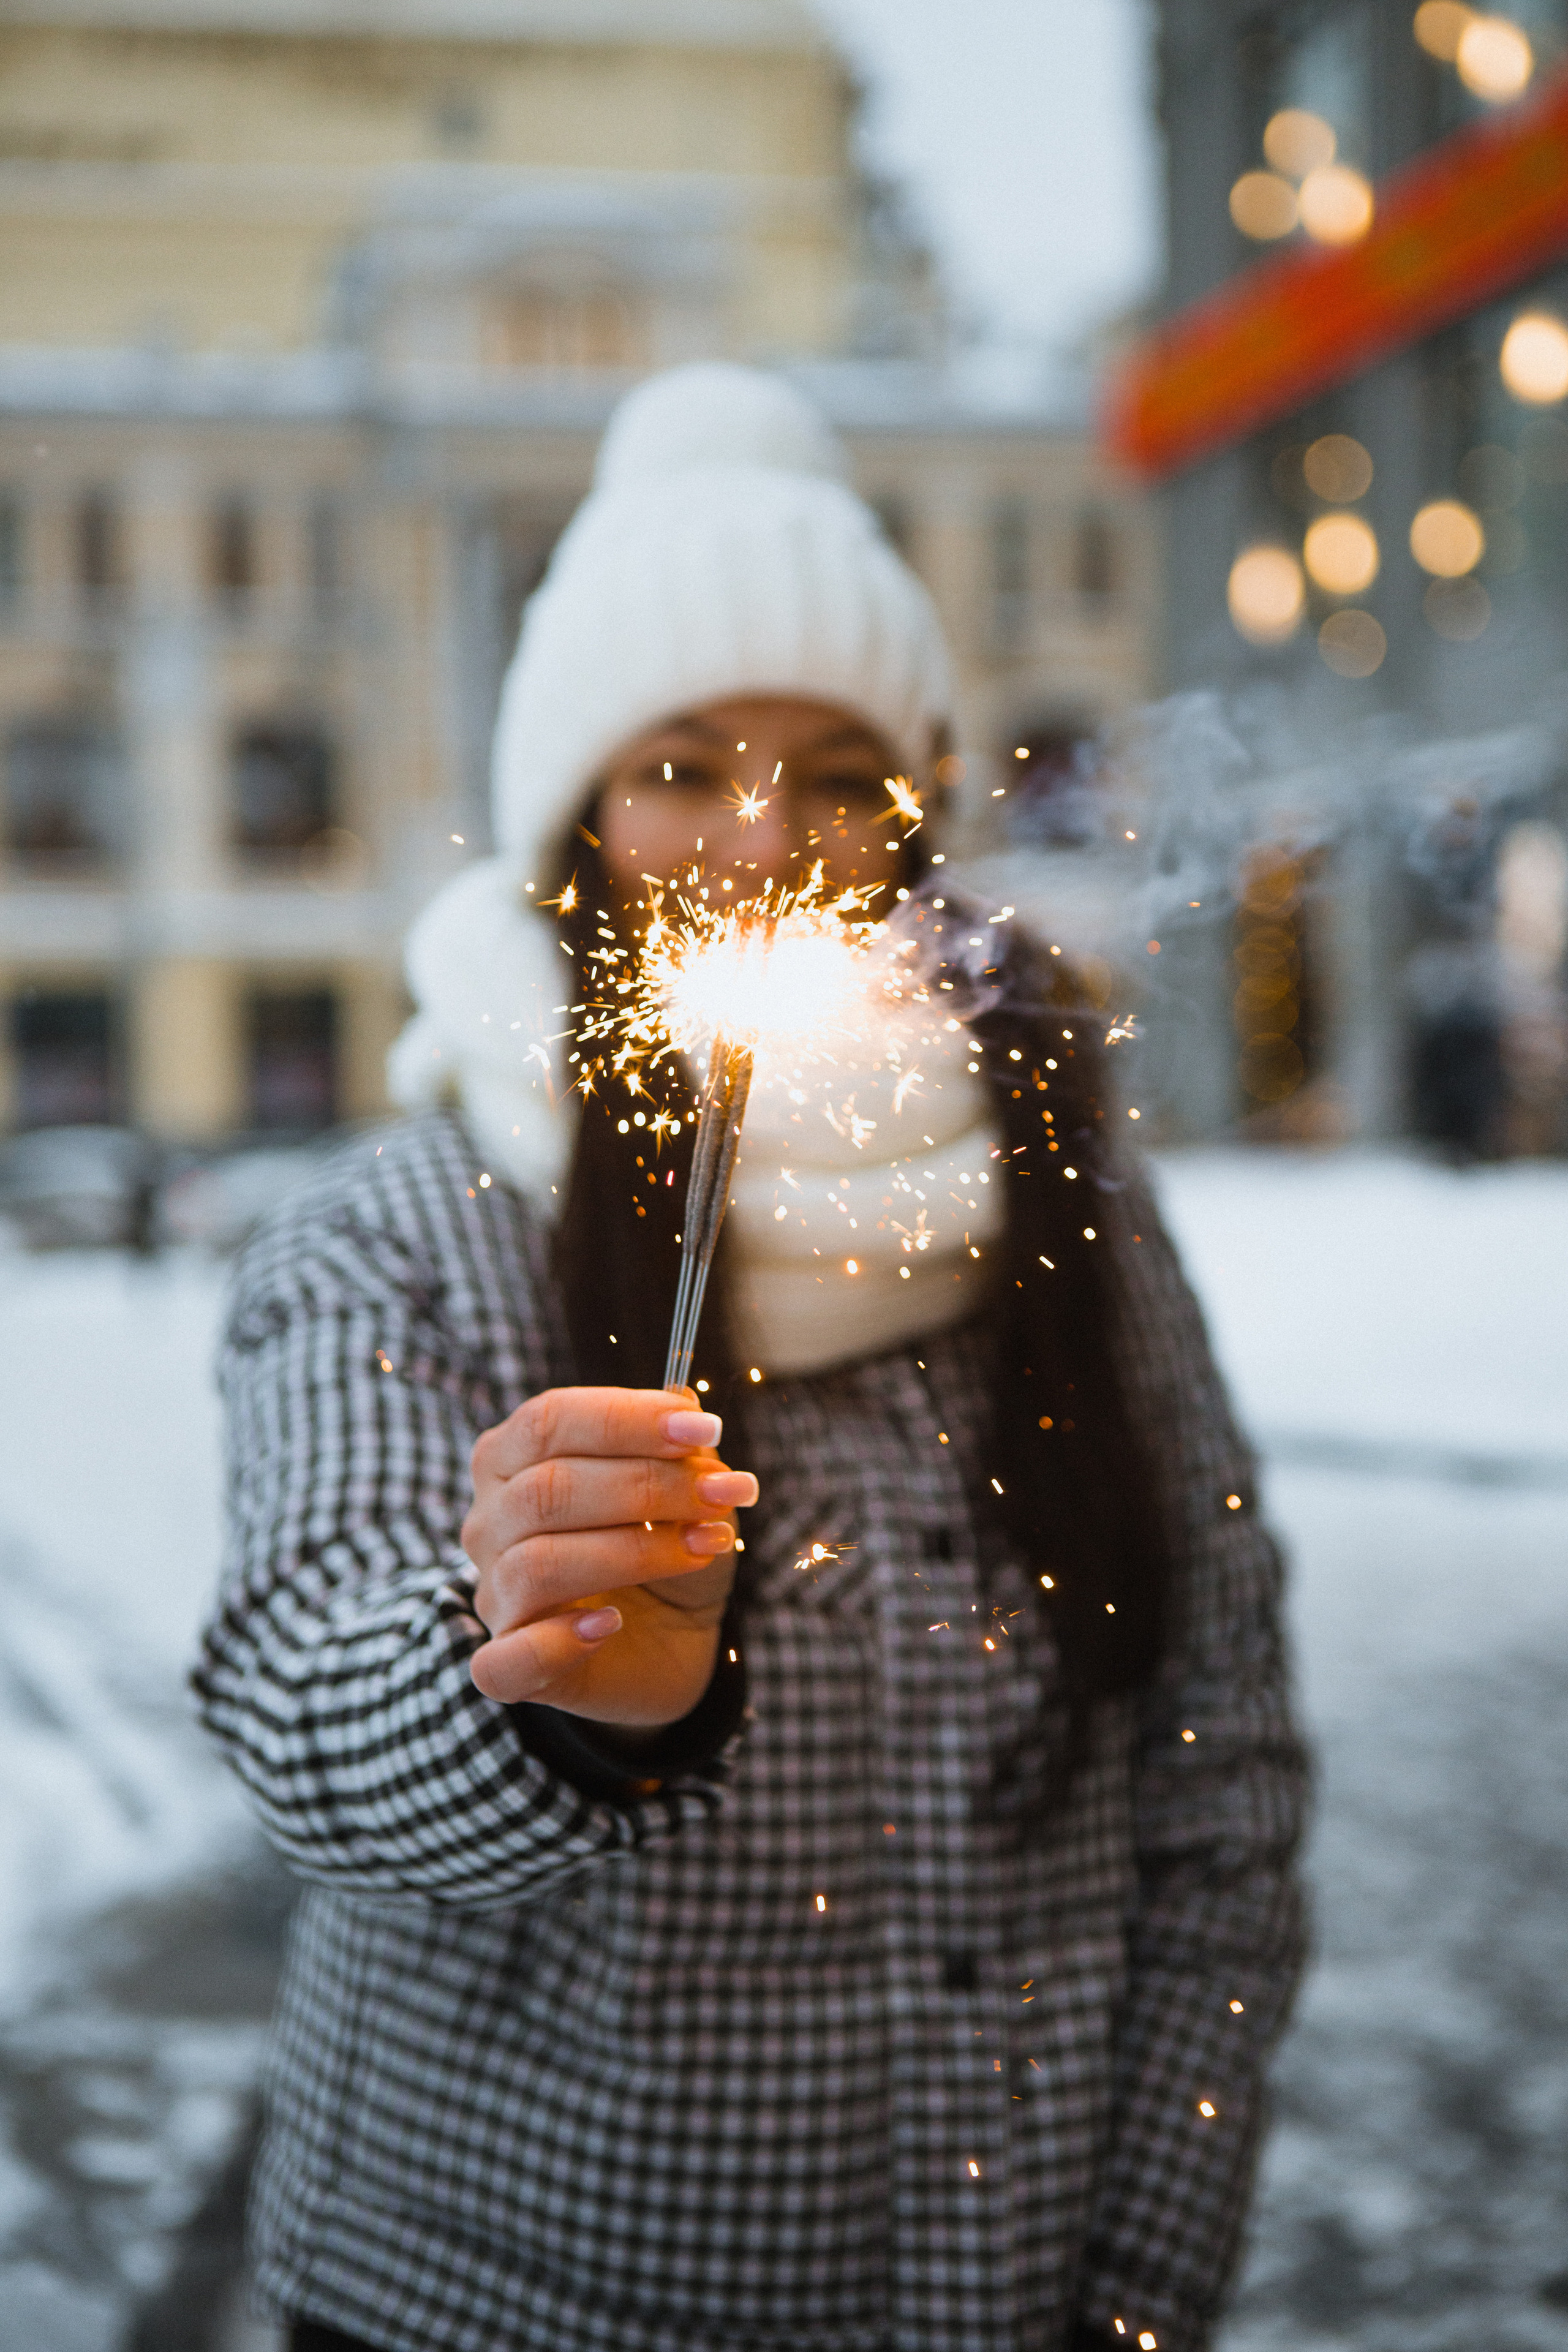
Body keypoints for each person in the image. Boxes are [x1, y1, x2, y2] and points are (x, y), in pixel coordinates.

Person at [195, 365, 1307, 2352]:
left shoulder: (1060, 1191)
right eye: (686, 767)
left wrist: (1143, 2280)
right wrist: (541, 1691)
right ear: (574, 814)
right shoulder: (411, 1220)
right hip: (501, 2300)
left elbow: (1221, 1765)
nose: (764, 836)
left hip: (1019, 2292)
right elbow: (301, 1715)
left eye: (841, 774)